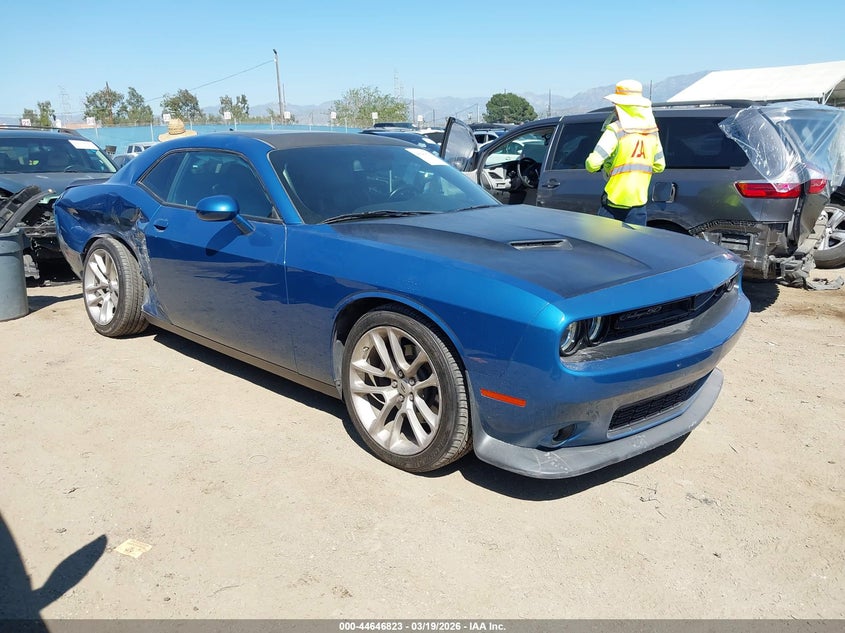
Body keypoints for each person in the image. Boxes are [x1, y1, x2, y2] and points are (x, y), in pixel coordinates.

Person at [585, 79, 665, 225]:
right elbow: (660, 165)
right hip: (638, 205)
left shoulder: (616, 129)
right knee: (633, 246)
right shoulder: (652, 132)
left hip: (612, 203)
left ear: (620, 106)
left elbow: (592, 164)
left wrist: (605, 166)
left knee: (606, 244)